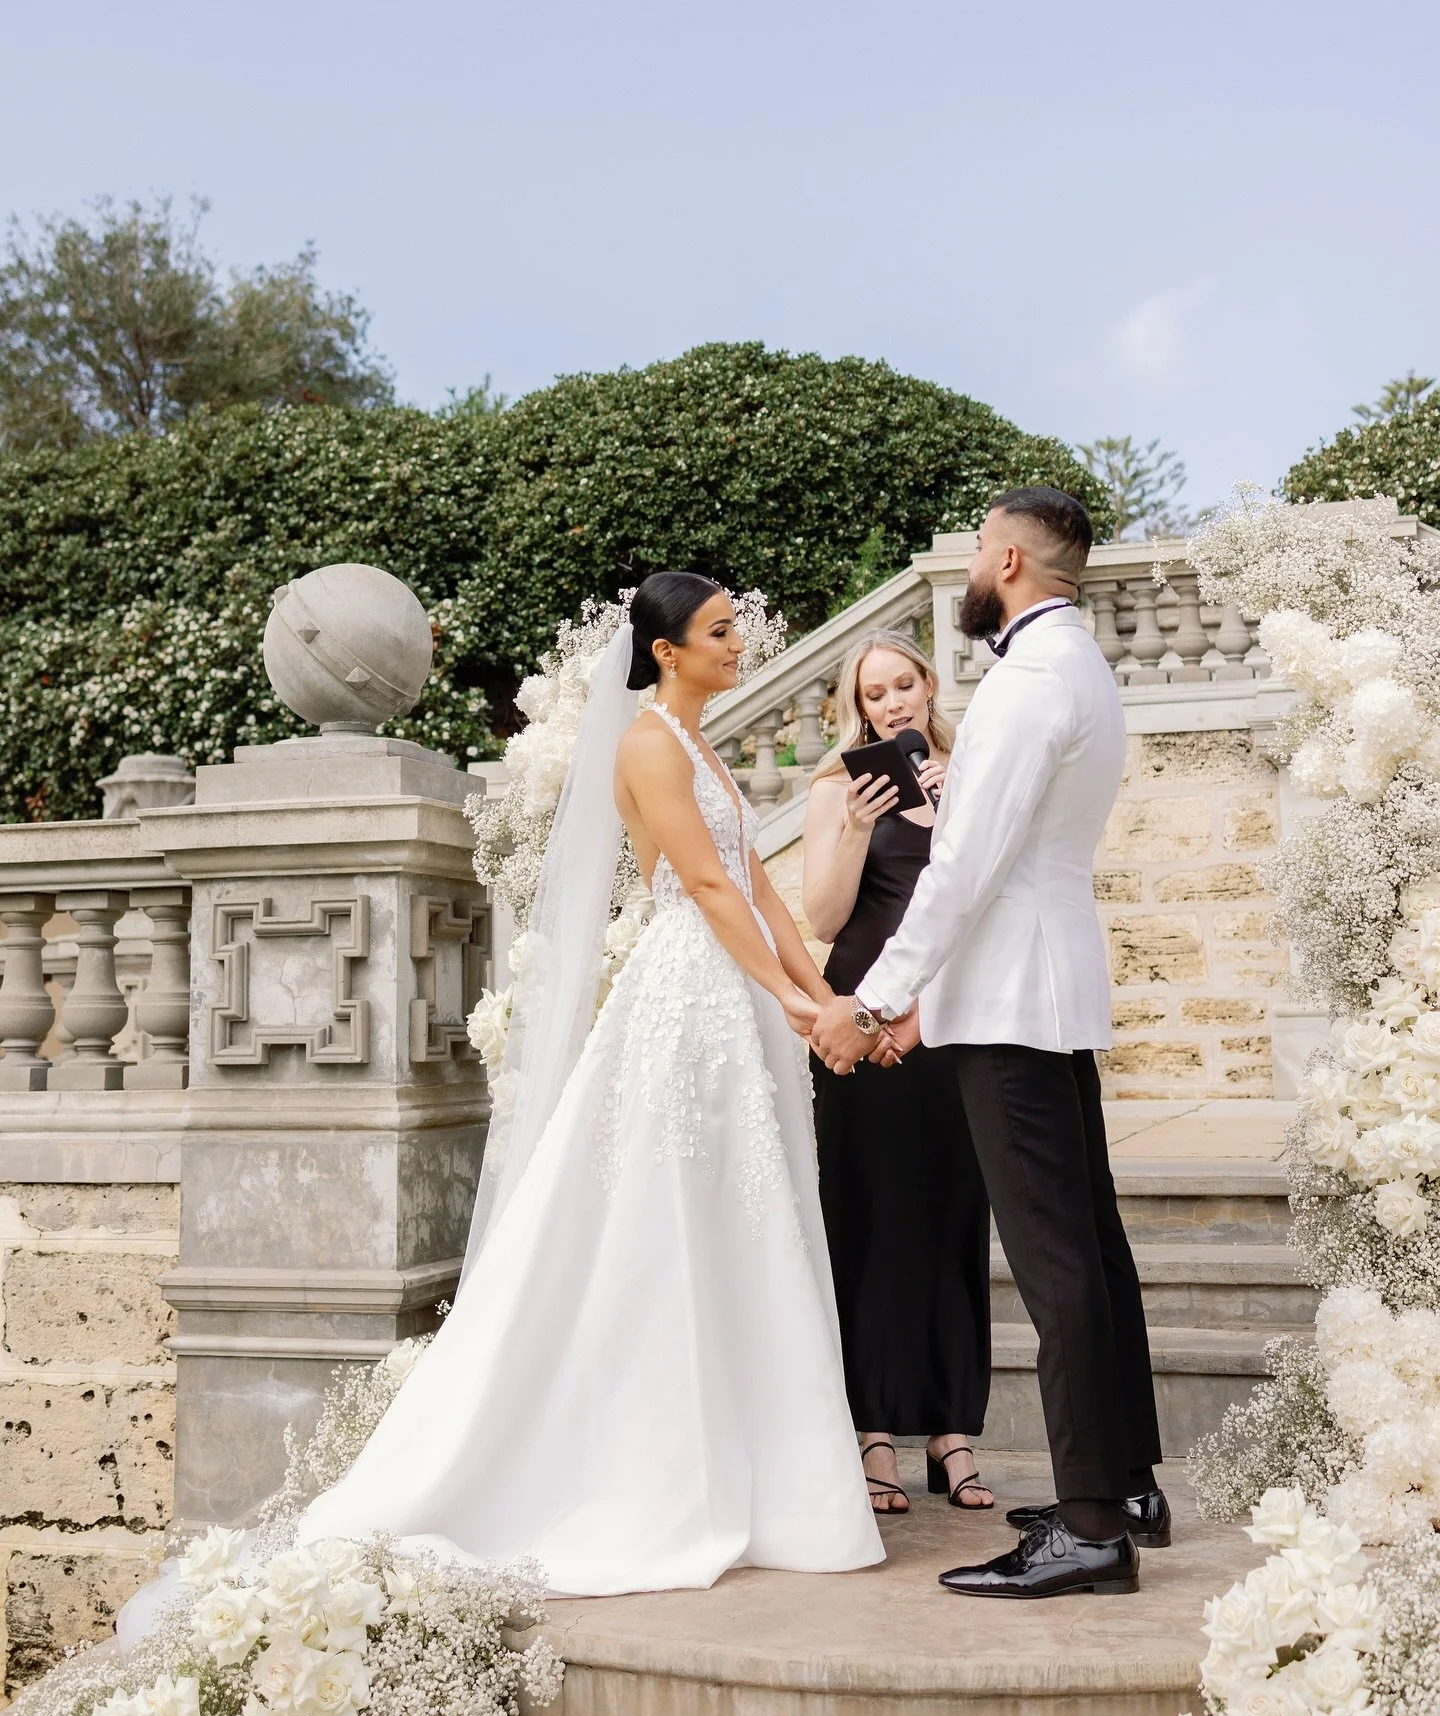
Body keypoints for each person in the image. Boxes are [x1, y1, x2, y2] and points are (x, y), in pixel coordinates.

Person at [297, 572, 883, 1595]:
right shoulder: (649, 743)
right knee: (676, 1214)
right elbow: (701, 886)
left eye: (733, 629)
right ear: (665, 651)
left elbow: (755, 886)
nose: (738, 644)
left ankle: (772, 1478)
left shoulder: (701, 746)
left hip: (732, 993)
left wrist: (818, 993)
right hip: (688, 991)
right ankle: (656, 1471)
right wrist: (790, 1001)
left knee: (752, 1212)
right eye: (718, 631)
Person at [811, 487, 1167, 1601]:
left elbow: (964, 868)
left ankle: (1093, 1527)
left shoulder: (1022, 682)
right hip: (1052, 990)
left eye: (977, 551)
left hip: (1013, 1003)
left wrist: (875, 1001)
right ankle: (1129, 1483)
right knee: (1093, 1243)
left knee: (1056, 1259)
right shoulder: (1083, 668)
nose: (971, 567)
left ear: (1008, 559)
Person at [802, 631, 992, 1515]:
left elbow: (989, 899)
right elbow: (824, 914)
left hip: (952, 1019)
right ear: (859, 705)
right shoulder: (839, 783)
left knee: (955, 1213)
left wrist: (959, 813)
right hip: (858, 1022)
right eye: (874, 694)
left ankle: (953, 1433)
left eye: (903, 685)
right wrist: (855, 828)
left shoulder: (975, 768)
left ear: (928, 683)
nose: (892, 704)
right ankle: (872, 1431)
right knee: (866, 1218)